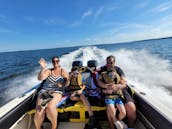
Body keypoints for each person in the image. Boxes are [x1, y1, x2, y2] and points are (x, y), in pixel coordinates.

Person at [98, 55, 136, 128]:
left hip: (120, 90)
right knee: (110, 109)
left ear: (114, 63)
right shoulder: (102, 70)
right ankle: (112, 126)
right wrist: (106, 87)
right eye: (108, 62)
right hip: (107, 91)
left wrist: (117, 86)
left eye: (111, 62)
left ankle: (128, 126)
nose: (109, 64)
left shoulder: (118, 70)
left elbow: (124, 82)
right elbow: (99, 81)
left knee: (132, 108)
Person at [34, 56, 69, 129]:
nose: (55, 62)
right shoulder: (49, 71)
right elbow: (40, 78)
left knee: (50, 107)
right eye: (54, 61)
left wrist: (62, 84)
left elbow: (67, 83)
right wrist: (43, 68)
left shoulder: (63, 71)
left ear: (59, 61)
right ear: (52, 62)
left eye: (57, 61)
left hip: (57, 91)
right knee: (39, 111)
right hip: (45, 91)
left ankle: (54, 127)